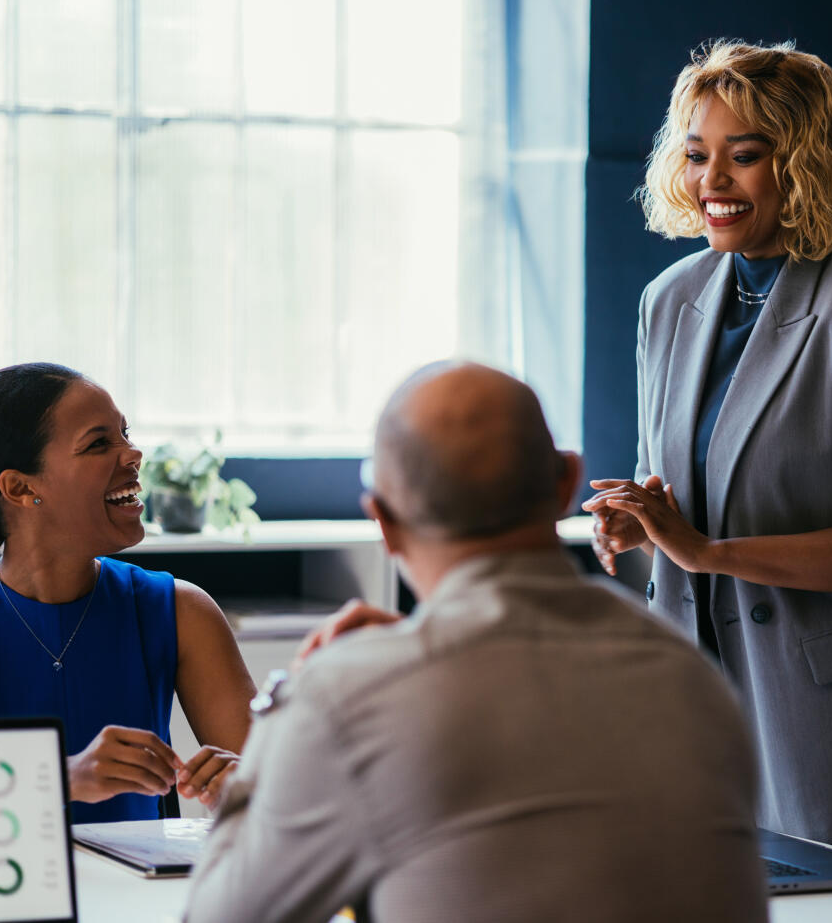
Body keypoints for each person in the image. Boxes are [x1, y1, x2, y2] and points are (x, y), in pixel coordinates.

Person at [582, 40, 832, 869]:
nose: (711, 182)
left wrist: (706, 551)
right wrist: (641, 527)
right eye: (697, 155)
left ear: (807, 164)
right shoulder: (671, 299)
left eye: (746, 156)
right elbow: (690, 492)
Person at [185, 362, 766, 923]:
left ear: (382, 524)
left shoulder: (349, 700)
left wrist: (285, 706)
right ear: (567, 482)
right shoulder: (690, 676)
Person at [0, 363, 256, 822]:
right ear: (20, 487)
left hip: (145, 893)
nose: (133, 453)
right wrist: (63, 777)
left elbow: (281, 791)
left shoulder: (180, 609)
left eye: (125, 433)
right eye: (99, 443)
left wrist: (242, 790)